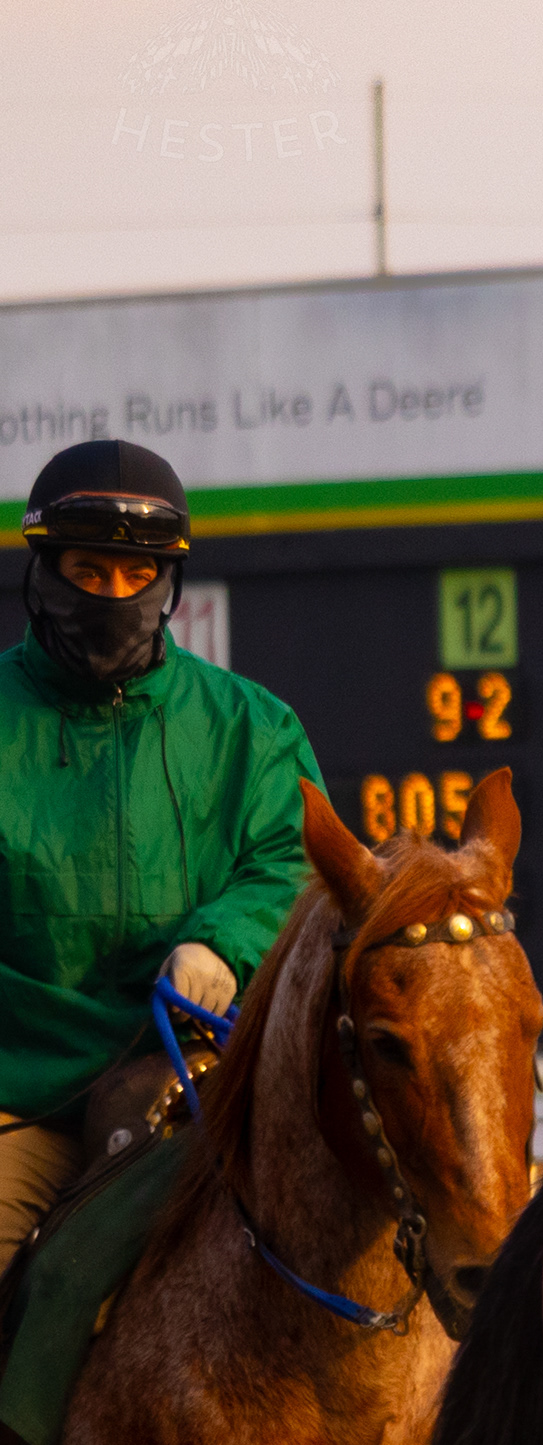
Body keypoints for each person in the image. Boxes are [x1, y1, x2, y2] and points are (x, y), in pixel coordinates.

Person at [0, 440, 322, 1255]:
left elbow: (296, 862)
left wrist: (221, 940)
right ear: (42, 572)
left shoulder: (254, 728)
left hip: (191, 1082)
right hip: (16, 1094)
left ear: (167, 582)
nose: (114, 593)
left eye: (136, 575)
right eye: (89, 569)